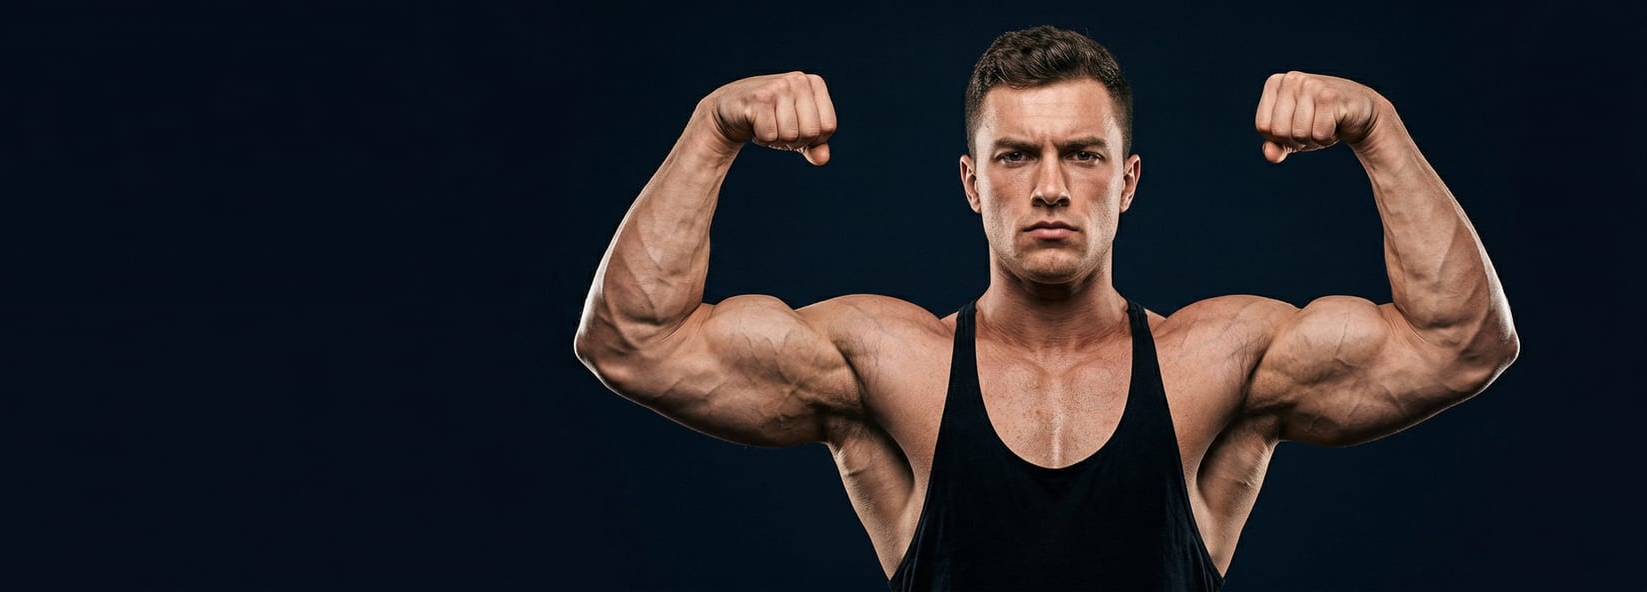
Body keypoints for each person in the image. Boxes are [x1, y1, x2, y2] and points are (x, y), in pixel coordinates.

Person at [572, 24, 1519, 591]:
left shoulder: (1216, 360)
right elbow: (632, 342)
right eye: (1017, 157)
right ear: (972, 184)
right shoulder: (891, 364)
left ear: (1129, 181)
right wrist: (713, 131)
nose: (1052, 188)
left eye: (1084, 155)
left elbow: (1462, 343)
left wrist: (1377, 131)